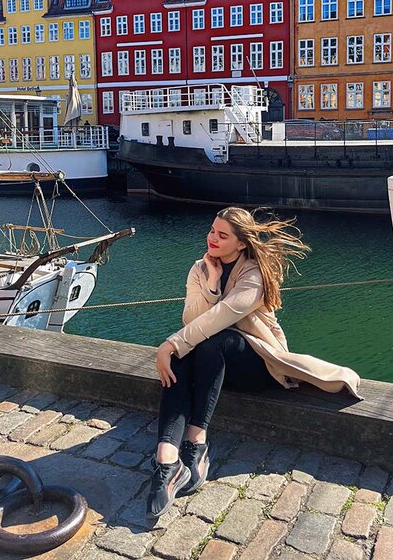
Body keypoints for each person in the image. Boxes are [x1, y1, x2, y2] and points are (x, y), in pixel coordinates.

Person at [146, 206, 361, 519]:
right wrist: (212, 282)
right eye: (211, 231)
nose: (212, 239)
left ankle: (197, 442)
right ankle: (167, 460)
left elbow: (222, 317)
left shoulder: (254, 274)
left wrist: (170, 343)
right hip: (213, 365)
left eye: (222, 235)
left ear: (241, 243)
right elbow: (191, 319)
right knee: (183, 355)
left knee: (207, 344)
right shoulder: (201, 268)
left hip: (257, 365)